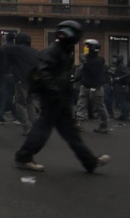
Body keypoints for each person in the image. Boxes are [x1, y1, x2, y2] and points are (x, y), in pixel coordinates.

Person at [14, 20, 110, 174]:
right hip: (53, 97)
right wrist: (54, 90)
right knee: (47, 129)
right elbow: (43, 72)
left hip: (58, 97)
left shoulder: (64, 52)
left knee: (69, 132)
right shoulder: (54, 51)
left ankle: (89, 162)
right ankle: (24, 157)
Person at [7, 33, 40, 135]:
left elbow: (5, 53)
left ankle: (27, 127)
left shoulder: (17, 49)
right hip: (33, 80)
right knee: (30, 102)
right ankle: (35, 126)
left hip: (22, 79)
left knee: (20, 103)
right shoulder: (34, 51)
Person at [76, 39, 110, 133]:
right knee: (81, 104)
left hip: (96, 87)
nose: (85, 48)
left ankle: (104, 124)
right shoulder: (86, 58)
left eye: (87, 46)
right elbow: (83, 72)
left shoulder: (99, 60)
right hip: (85, 85)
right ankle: (79, 122)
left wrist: (85, 62)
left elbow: (93, 72)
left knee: (99, 106)